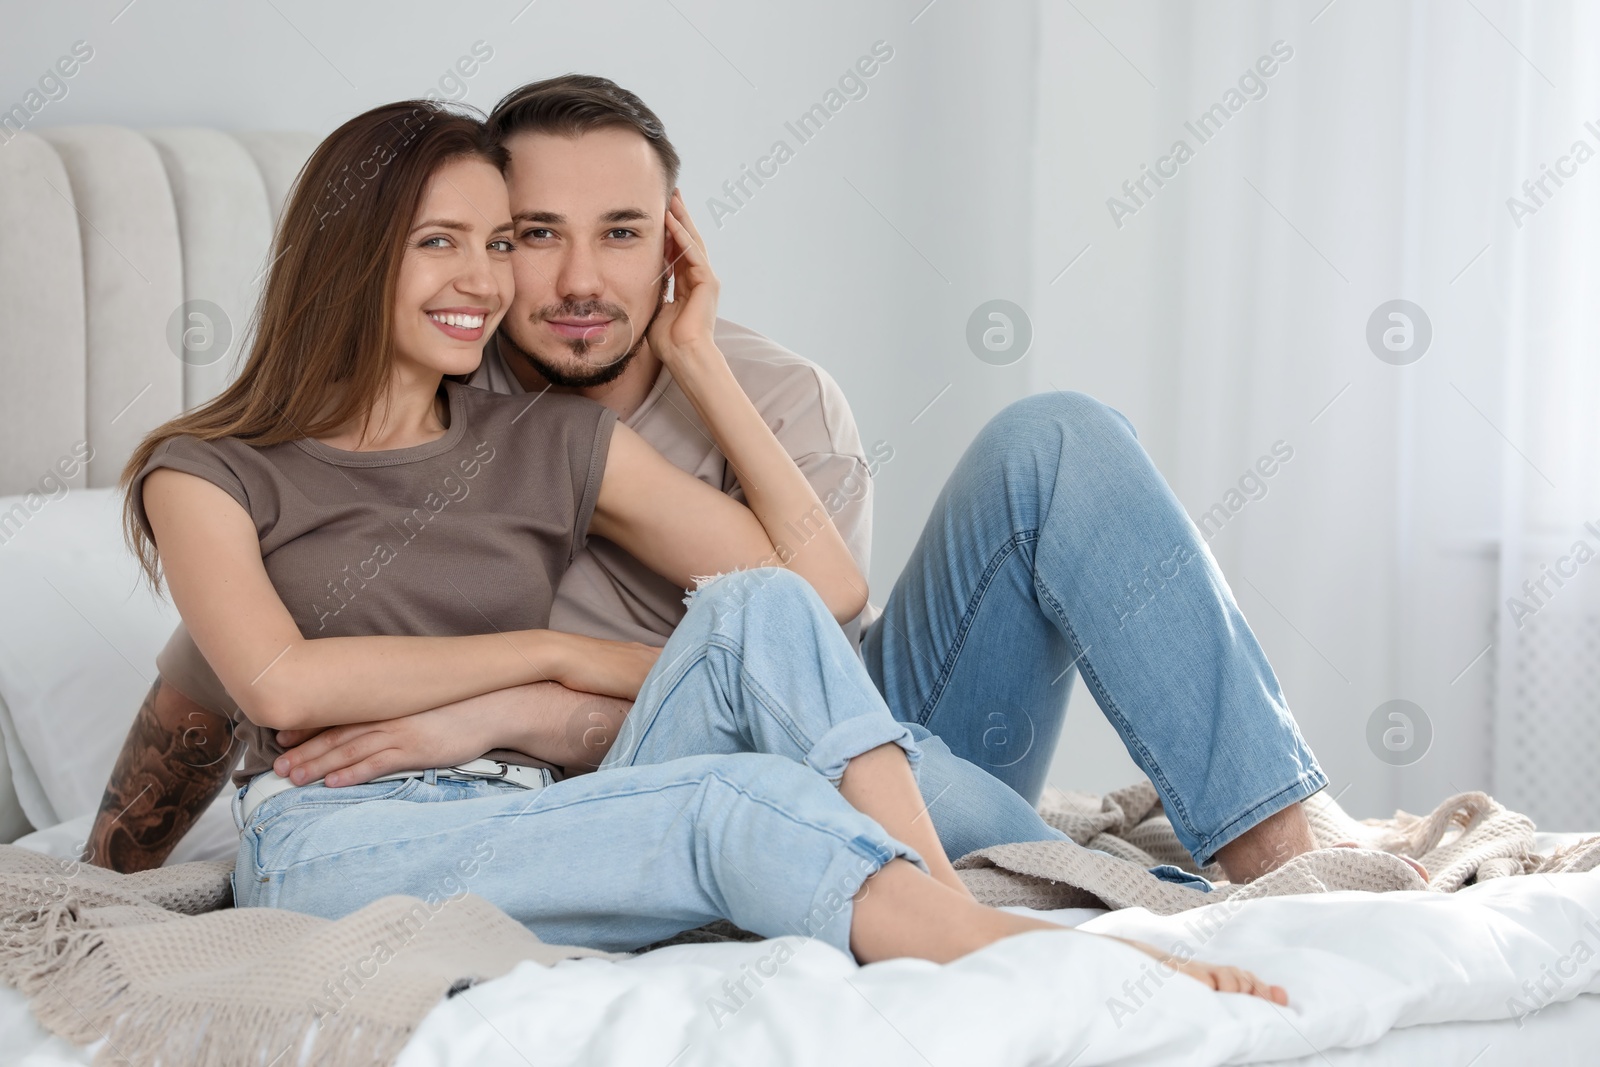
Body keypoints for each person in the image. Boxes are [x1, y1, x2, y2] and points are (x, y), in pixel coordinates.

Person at [120, 97, 1286, 1001]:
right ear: (352, 258)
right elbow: (268, 677)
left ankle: (954, 900)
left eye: (494, 245)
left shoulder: (548, 434)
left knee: (756, 611)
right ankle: (990, 936)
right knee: (735, 796)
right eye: (445, 243)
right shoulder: (208, 468)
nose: (487, 280)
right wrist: (111, 866)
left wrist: (532, 690)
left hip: (548, 783)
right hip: (340, 829)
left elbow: (800, 595)